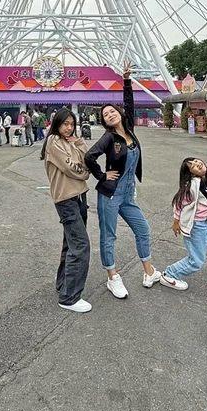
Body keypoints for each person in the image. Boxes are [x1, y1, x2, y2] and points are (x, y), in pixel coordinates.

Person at [85, 59, 161, 299]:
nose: (110, 115)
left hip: (128, 193)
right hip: (110, 193)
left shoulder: (129, 130)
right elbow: (90, 156)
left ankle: (149, 272)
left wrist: (126, 79)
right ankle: (112, 277)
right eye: (105, 114)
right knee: (109, 236)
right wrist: (101, 175)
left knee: (143, 229)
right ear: (104, 121)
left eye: (112, 111)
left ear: (119, 113)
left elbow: (130, 101)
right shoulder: (108, 139)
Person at [160, 121, 207, 291]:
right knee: (197, 261)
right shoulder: (191, 186)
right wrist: (176, 222)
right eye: (191, 165)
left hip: (205, 224)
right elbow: (179, 204)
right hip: (195, 227)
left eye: (195, 161)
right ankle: (169, 274)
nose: (196, 164)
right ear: (191, 173)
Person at [41, 108, 92, 313]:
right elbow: (76, 169)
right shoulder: (54, 142)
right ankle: (69, 297)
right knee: (81, 246)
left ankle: (63, 283)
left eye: (72, 124)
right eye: (65, 124)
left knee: (70, 245)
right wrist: (85, 170)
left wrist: (78, 141)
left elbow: (88, 160)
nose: (69, 127)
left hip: (79, 196)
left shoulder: (71, 141)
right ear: (57, 124)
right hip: (66, 199)